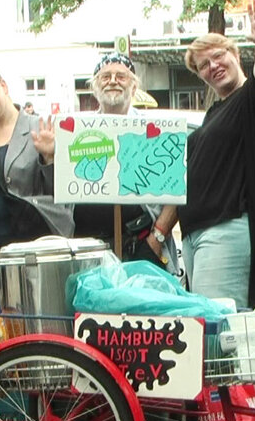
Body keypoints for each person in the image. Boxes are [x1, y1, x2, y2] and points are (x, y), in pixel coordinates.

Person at [177, 0, 255, 310]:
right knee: (207, 323)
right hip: (195, 235)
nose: (213, 66)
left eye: (218, 56)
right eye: (203, 65)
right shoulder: (213, 113)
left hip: (226, 230)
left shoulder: (253, 98)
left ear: (236, 55)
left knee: (220, 323)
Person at [72, 52, 179, 272]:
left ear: (134, 86)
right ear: (94, 87)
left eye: (121, 76)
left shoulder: (155, 131)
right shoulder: (77, 131)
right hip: (88, 250)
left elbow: (176, 192)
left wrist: (156, 238)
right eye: (105, 76)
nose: (113, 81)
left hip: (141, 245)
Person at [0, 66, 73, 248]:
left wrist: (49, 159)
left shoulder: (41, 128)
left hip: (22, 250)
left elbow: (62, 197)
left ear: (3, 86)